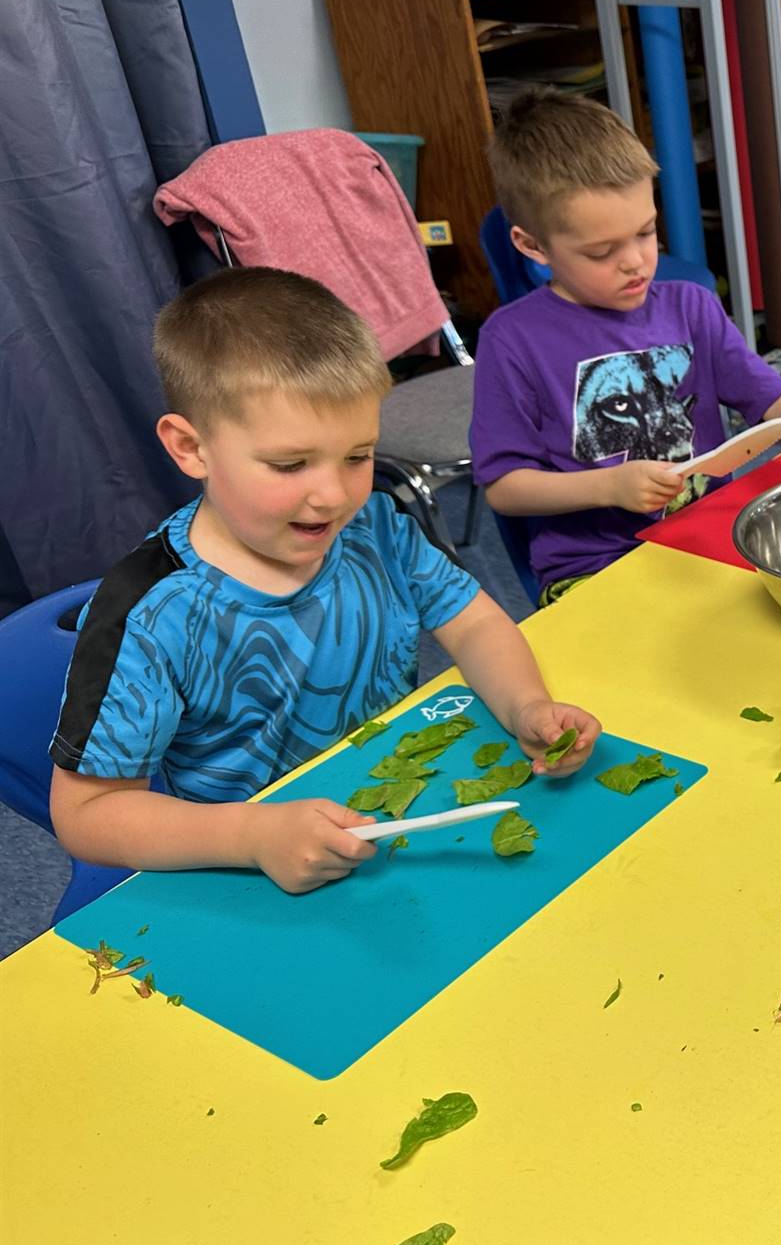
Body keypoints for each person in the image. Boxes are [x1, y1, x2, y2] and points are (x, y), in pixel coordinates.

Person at [49, 268, 601, 895]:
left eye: (358, 456)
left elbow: (471, 621)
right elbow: (86, 816)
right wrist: (255, 837)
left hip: (396, 825)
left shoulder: (375, 527)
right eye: (290, 464)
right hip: (248, 871)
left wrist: (526, 704)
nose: (334, 496)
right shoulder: (149, 614)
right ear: (190, 448)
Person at [473, 90, 781, 604]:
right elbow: (505, 487)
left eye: (646, 233)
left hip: (711, 538)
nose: (635, 263)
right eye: (601, 252)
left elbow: (775, 400)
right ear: (532, 246)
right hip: (594, 569)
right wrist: (608, 487)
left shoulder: (692, 306)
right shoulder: (511, 340)